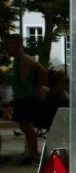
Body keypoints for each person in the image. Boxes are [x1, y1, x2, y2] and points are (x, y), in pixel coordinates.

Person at [3, 34, 48, 163]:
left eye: (9, 44)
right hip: (21, 97)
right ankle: (31, 154)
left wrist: (37, 88)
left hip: (26, 98)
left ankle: (33, 155)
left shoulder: (25, 58)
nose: (7, 48)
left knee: (27, 126)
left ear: (17, 44)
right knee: (24, 126)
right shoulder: (18, 60)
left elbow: (43, 71)